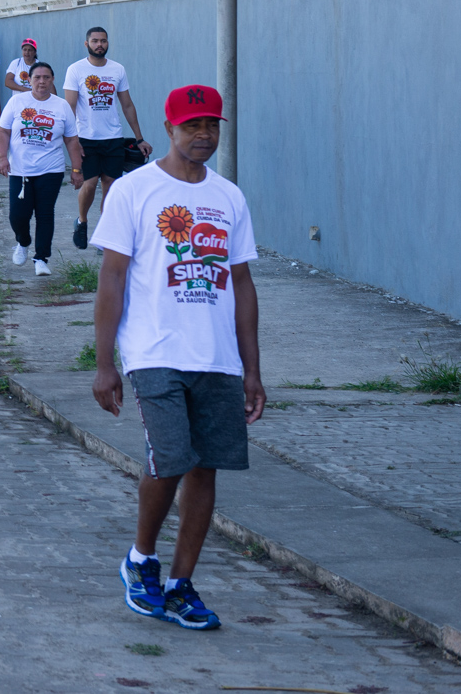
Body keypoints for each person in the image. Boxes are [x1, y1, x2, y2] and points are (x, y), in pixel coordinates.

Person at [91, 85, 262, 633]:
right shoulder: (134, 190)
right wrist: (104, 363)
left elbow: (242, 284)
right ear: (169, 129)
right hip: (154, 351)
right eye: (192, 126)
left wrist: (253, 370)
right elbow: (112, 279)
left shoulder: (229, 197)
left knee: (205, 467)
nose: (203, 135)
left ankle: (182, 583)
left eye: (211, 125)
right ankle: (141, 559)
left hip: (218, 357)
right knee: (169, 458)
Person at [64, 26, 153, 249]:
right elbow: (70, 107)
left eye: (103, 41)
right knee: (90, 184)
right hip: (86, 138)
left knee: (111, 187)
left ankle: (105, 235)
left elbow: (127, 104)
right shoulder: (75, 70)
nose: (99, 45)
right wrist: (73, 141)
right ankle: (82, 221)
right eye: (95, 41)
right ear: (87, 44)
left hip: (113, 138)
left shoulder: (117, 69)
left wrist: (139, 138)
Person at [0, 62, 84, 277]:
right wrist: (1, 157)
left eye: (46, 77)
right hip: (20, 170)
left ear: (52, 80)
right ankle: (23, 241)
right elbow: (3, 131)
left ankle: (41, 258)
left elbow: (71, 140)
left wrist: (76, 170)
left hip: (51, 169)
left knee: (45, 214)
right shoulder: (17, 102)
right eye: (37, 77)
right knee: (18, 215)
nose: (42, 81)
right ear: (29, 80)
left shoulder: (61, 106)